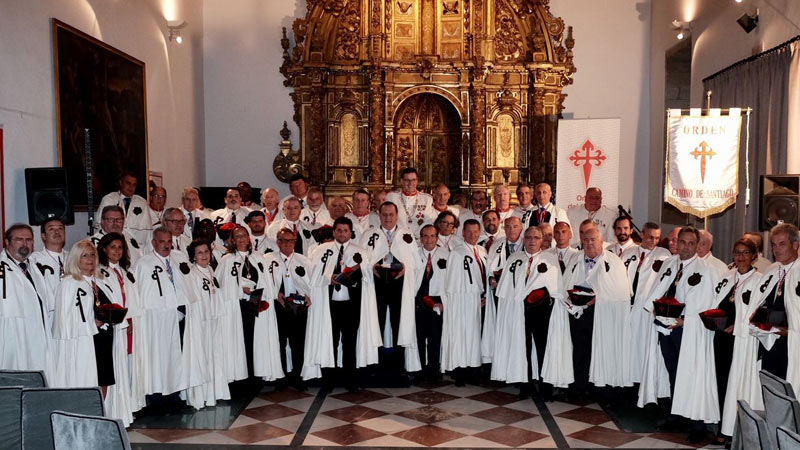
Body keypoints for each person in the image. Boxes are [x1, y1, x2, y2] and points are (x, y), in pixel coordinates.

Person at [638, 226, 720, 442]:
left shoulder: (704, 270)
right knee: (673, 372)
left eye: (691, 243)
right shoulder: (670, 263)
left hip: (688, 331)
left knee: (691, 375)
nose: (685, 247)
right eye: (682, 242)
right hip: (666, 329)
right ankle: (678, 414)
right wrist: (655, 306)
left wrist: (684, 320)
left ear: (697, 245)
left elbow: (706, 305)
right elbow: (659, 290)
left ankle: (697, 424)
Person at [303, 217, 378, 391]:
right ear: (334, 232)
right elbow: (313, 275)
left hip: (351, 305)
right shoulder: (322, 250)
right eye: (339, 230)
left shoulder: (360, 251)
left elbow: (367, 277)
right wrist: (329, 278)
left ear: (351, 232)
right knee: (330, 341)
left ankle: (350, 381)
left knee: (349, 342)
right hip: (329, 306)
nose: (342, 234)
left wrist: (353, 276)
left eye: (345, 231)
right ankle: (328, 381)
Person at [560, 228, 633, 398]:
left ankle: (602, 389)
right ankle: (578, 388)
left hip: (603, 314)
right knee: (579, 349)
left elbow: (621, 292)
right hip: (579, 312)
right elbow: (565, 283)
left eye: (593, 239)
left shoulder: (614, 261)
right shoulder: (575, 258)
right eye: (586, 240)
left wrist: (598, 298)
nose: (590, 243)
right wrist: (570, 297)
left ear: (601, 241)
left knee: (602, 349)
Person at [492, 226, 562, 399]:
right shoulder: (514, 259)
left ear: (542, 240)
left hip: (541, 313)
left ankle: (546, 386)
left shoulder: (551, 259)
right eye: (529, 237)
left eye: (536, 238)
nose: (532, 241)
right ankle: (526, 384)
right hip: (518, 311)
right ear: (523, 239)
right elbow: (505, 289)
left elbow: (557, 288)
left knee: (543, 347)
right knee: (522, 347)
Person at [360, 202, 421, 371]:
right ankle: (375, 364)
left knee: (399, 322)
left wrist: (405, 269)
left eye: (391, 215)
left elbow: (415, 263)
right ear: (379, 215)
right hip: (376, 284)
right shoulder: (369, 235)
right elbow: (362, 260)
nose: (388, 218)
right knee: (375, 322)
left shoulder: (406, 235)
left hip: (399, 285)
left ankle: (399, 365)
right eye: (384, 214)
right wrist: (371, 267)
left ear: (397, 215)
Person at [715, 238, 763, 443]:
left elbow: (759, 311)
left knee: (737, 383)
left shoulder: (760, 279)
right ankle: (722, 425)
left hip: (741, 340)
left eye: (745, 253)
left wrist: (739, 324)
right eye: (737, 253)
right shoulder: (727, 276)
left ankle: (734, 428)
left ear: (754, 255)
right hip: (721, 337)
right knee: (721, 381)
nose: (740, 257)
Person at [52, 240, 115, 391]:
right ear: (75, 259)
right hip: (83, 341)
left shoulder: (100, 282)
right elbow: (65, 320)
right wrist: (91, 324)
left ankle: (101, 413)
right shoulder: (69, 283)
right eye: (84, 255)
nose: (90, 259)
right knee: (87, 380)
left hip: (102, 339)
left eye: (92, 255)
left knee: (103, 379)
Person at [133, 227, 188, 397]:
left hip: (177, 315)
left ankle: (174, 394)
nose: (166, 245)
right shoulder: (144, 263)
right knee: (157, 357)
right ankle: (156, 396)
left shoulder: (178, 260)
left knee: (175, 357)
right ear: (153, 243)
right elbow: (140, 292)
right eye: (162, 241)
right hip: (155, 319)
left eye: (169, 241)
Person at [96, 232, 141, 425]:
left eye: (120, 247)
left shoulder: (123, 271)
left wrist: (129, 318)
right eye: (112, 247)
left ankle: (123, 410)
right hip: (111, 326)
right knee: (112, 367)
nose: (117, 251)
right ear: (104, 249)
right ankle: (110, 410)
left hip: (123, 325)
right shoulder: (100, 271)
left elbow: (128, 298)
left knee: (123, 366)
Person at [183, 240, 231, 407]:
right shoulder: (192, 274)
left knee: (214, 355)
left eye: (206, 251)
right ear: (193, 257)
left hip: (213, 320)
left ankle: (215, 392)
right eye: (199, 253)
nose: (204, 255)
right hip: (200, 323)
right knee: (201, 357)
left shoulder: (210, 270)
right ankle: (200, 396)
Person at [0, 224, 53, 375]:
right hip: (11, 335)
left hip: (37, 334)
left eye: (29, 240)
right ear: (7, 242)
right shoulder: (2, 269)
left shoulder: (35, 268)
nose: (25, 244)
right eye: (19, 239)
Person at [264, 228, 312, 390]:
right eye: (283, 240)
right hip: (278, 306)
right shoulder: (268, 259)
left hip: (298, 307)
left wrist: (306, 294)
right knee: (280, 342)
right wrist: (275, 293)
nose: (286, 244)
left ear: (295, 242)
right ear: (277, 242)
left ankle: (298, 376)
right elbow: (264, 282)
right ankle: (281, 377)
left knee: (298, 343)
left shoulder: (303, 260)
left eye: (290, 240)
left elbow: (310, 283)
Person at [751, 224, 799, 385]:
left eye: (782, 244)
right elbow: (761, 301)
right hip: (769, 340)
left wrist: (790, 331)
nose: (776, 249)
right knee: (770, 387)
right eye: (774, 244)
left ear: (795, 245)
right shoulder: (772, 270)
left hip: (792, 343)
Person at [623, 222, 671, 385]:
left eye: (657, 238)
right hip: (627, 305)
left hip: (647, 309)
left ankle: (642, 382)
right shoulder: (628, 253)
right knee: (627, 346)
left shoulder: (664, 255)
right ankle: (626, 380)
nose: (654, 241)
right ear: (642, 234)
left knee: (642, 346)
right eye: (650, 237)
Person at [442, 219, 486, 385]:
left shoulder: (482, 251)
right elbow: (452, 281)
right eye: (469, 231)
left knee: (475, 335)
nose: (473, 235)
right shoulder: (457, 252)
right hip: (461, 300)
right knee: (461, 335)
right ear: (462, 233)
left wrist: (483, 294)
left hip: (477, 299)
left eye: (475, 231)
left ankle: (474, 368)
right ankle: (460, 370)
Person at [414, 224, 448, 383]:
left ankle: (434, 370)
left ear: (437, 237)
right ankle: (419, 370)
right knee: (419, 338)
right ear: (421, 238)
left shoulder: (446, 254)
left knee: (435, 338)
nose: (429, 239)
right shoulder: (414, 254)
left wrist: (443, 303)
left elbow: (449, 281)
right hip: (418, 301)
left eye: (432, 236)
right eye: (425, 236)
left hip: (437, 302)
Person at [29, 217, 68, 326]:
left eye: (60, 229)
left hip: (71, 314)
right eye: (51, 229)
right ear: (43, 236)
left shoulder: (73, 257)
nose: (57, 232)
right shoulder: (33, 260)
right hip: (48, 316)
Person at [95, 172, 152, 244]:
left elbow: (147, 231)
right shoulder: (109, 199)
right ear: (121, 182)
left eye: (134, 184)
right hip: (112, 243)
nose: (131, 187)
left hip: (136, 246)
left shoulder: (142, 202)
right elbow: (100, 225)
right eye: (128, 183)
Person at [386, 167, 434, 236]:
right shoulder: (392, 197)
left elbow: (428, 221)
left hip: (419, 240)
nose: (410, 183)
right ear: (401, 181)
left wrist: (416, 236)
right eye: (407, 180)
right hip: (398, 238)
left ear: (417, 181)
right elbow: (388, 220)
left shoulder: (426, 199)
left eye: (413, 180)